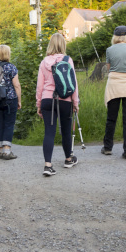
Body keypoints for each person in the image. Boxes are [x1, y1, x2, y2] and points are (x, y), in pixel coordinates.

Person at [36, 33, 80, 176]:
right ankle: (68, 159)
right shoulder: (67, 60)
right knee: (66, 130)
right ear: (63, 44)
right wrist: (75, 102)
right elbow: (73, 83)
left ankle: (48, 166)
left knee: (49, 131)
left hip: (48, 99)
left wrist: (39, 104)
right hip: (65, 99)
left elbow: (39, 86)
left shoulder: (44, 62)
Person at [102, 25, 126, 160]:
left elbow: (109, 68)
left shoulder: (109, 50)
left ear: (115, 36)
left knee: (111, 118)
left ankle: (107, 148)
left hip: (114, 85)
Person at [0, 45, 21, 160]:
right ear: (7, 54)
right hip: (9, 99)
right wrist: (19, 100)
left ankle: (1, 150)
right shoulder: (11, 67)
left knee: (0, 123)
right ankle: (7, 150)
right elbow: (16, 85)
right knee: (9, 123)